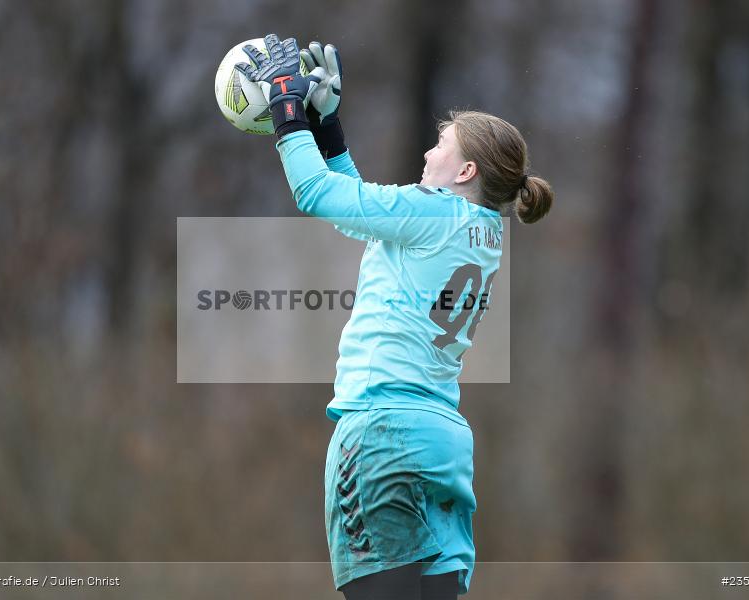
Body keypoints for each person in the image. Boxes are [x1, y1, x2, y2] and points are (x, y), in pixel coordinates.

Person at [236, 34, 554, 600]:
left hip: (383, 434)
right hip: (443, 441)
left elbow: (315, 194)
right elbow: (360, 212)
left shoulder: (432, 212)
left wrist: (287, 110)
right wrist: (327, 126)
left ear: (465, 171)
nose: (429, 153)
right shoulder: (483, 231)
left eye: (442, 145)